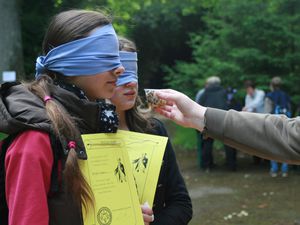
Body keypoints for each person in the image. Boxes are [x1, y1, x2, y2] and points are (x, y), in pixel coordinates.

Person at [0, 9, 157, 225]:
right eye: (106, 57)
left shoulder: (98, 121)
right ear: (72, 61)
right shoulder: (35, 139)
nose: (120, 68)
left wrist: (126, 213)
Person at [110, 37, 193, 225]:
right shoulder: (83, 137)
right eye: (119, 75)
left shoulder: (153, 130)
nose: (130, 83)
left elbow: (181, 204)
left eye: (133, 74)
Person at [153, 89, 300, 164]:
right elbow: (288, 133)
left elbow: (287, 134)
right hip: (212, 127)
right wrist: (198, 116)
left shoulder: (203, 93)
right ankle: (229, 165)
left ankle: (209, 165)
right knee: (225, 151)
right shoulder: (225, 92)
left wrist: (199, 117)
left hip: (211, 128)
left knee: (208, 148)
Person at [197, 76, 232, 171]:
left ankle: (207, 166)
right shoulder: (225, 93)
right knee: (230, 142)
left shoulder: (204, 94)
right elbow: (230, 106)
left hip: (208, 122)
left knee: (207, 143)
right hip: (224, 121)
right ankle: (231, 165)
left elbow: (198, 108)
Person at [264, 77, 292, 177]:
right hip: (286, 125)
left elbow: (266, 113)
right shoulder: (286, 95)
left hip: (273, 125)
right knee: (285, 146)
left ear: (271, 85)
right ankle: (284, 170)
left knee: (273, 147)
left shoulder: (269, 96)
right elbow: (289, 110)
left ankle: (274, 169)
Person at [242, 80, 266, 165]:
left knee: (264, 140)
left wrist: (246, 107)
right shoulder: (248, 96)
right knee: (254, 140)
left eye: (249, 89)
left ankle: (266, 159)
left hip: (263, 120)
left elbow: (257, 103)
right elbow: (250, 109)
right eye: (247, 90)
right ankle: (257, 159)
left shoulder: (261, 93)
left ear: (253, 88)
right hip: (254, 121)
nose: (248, 92)